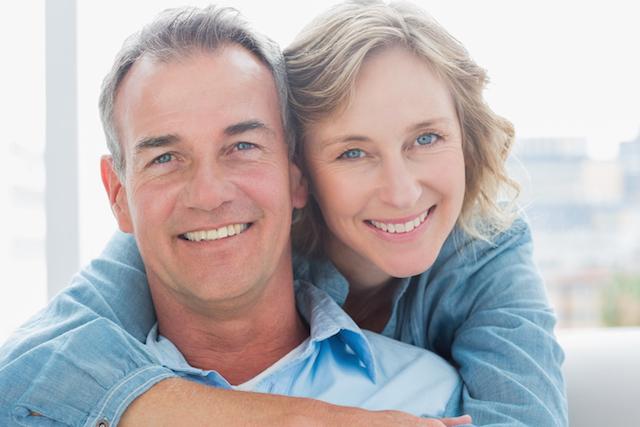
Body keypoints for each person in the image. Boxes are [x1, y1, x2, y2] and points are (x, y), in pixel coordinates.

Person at [0, 0, 567, 426]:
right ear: (304, 170)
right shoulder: (181, 235)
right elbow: (22, 370)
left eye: (426, 138)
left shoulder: (485, 253)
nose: (399, 191)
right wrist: (303, 417)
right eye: (352, 151)